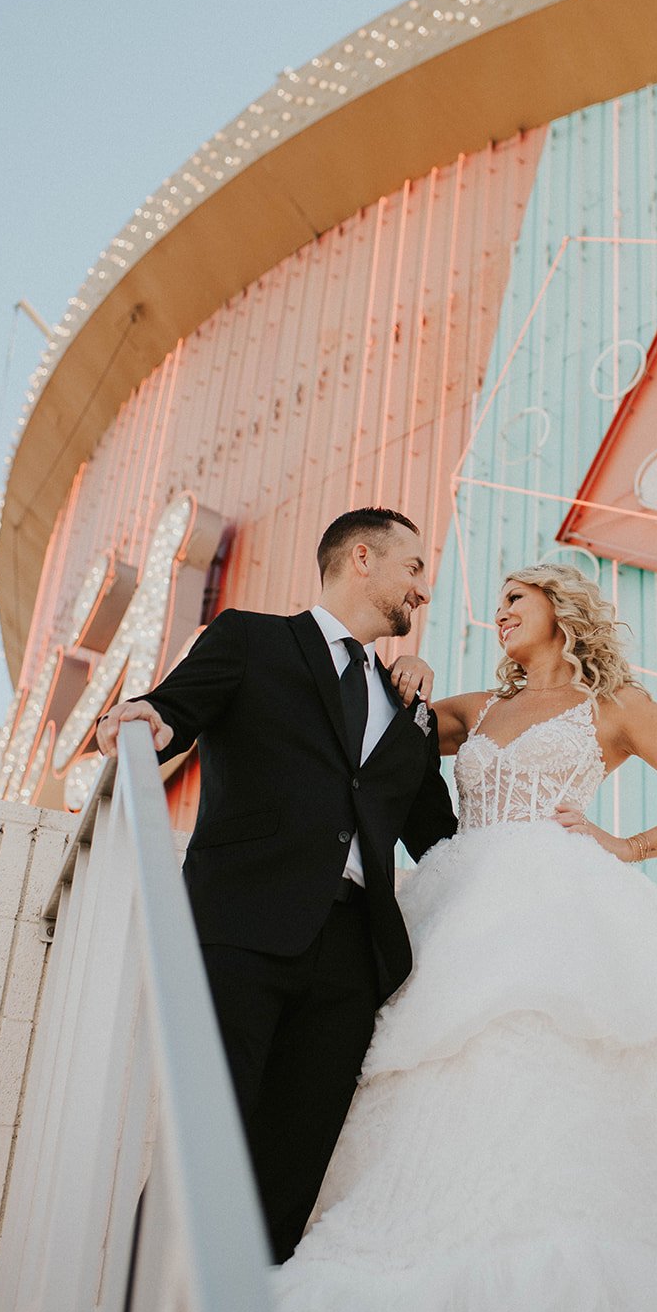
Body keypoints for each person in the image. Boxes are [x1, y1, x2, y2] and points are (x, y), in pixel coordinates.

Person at [274, 562, 657, 1312]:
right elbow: (389, 716)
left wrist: (629, 845)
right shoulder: (478, 708)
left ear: (559, 608)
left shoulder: (616, 706)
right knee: (436, 1062)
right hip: (457, 903)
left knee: (545, 1054)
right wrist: (411, 669)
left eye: (514, 599)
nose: (499, 613)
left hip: (557, 905)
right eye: (497, 602)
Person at [96, 507, 457, 1264]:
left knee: (291, 1170)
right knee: (207, 1138)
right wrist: (144, 720)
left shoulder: (407, 704)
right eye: (414, 567)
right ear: (362, 557)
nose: (424, 588)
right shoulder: (250, 639)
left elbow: (440, 838)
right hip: (243, 929)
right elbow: (172, 713)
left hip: (353, 959)